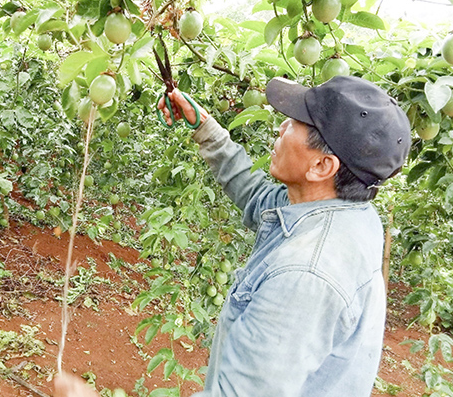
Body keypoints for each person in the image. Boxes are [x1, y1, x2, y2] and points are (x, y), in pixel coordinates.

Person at [55, 75, 411, 397]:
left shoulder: (304, 276)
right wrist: (206, 129)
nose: (282, 127)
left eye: (296, 124)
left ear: (321, 166)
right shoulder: (348, 214)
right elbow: (258, 197)